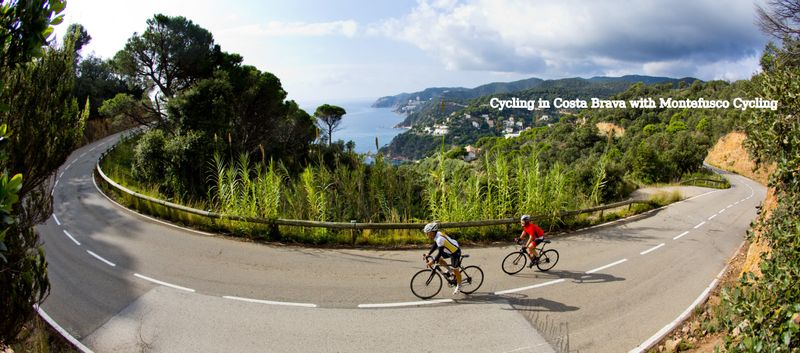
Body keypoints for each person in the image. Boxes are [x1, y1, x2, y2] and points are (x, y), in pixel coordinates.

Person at [423, 222, 463, 295]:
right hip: (448, 250)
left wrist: (432, 262)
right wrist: (429, 253)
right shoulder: (437, 234)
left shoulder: (440, 239)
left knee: (456, 270)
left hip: (455, 252)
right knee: (440, 260)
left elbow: (439, 253)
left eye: (427, 233)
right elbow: (435, 245)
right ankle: (451, 272)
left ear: (432, 232)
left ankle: (459, 285)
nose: (426, 235)